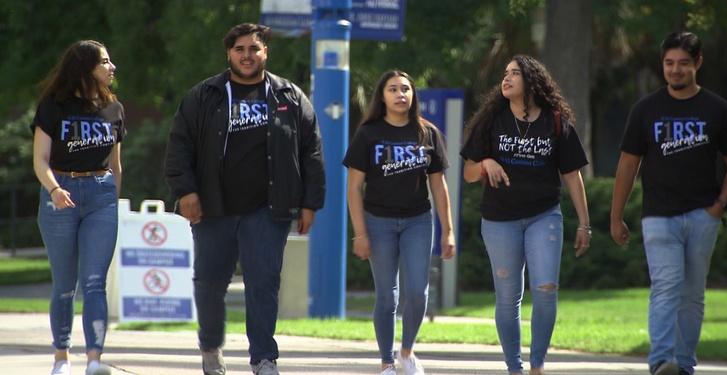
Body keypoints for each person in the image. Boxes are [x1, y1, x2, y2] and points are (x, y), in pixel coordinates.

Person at [164, 23, 325, 375]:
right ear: (229, 54)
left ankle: (264, 358)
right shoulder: (203, 95)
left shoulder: (289, 97)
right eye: (240, 49)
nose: (247, 55)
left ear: (265, 52)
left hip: (268, 209)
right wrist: (186, 192)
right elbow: (179, 147)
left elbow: (311, 151)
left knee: (263, 282)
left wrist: (311, 203)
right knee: (209, 283)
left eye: (254, 48)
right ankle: (210, 347)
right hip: (212, 207)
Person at [610, 32, 727, 375]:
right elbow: (628, 165)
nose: (675, 70)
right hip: (658, 216)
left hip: (703, 215)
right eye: (669, 63)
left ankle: (683, 364)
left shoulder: (718, 110)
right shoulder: (646, 109)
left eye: (683, 64)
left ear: (697, 63)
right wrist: (616, 216)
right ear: (663, 65)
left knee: (692, 294)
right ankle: (661, 361)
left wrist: (719, 205)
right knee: (666, 285)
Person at [460, 54, 592, 375]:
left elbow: (572, 175)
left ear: (531, 80)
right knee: (508, 297)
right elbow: (468, 172)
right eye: (504, 73)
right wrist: (486, 164)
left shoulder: (556, 120)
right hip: (499, 219)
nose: (505, 78)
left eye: (514, 73)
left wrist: (585, 224)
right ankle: (514, 368)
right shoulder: (491, 120)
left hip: (543, 216)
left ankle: (537, 365)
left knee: (546, 289)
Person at [344, 70, 456, 375]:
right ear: (382, 96)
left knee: (418, 291)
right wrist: (360, 233)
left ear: (413, 95)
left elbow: (439, 186)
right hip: (377, 221)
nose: (400, 94)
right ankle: (387, 362)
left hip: (417, 221)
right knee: (387, 295)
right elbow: (354, 188)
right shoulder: (368, 134)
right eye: (393, 89)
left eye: (406, 89)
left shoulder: (427, 133)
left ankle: (407, 352)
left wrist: (448, 231)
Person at [32, 40, 124, 375]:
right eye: (104, 61)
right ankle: (61, 357)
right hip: (61, 193)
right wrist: (54, 189)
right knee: (65, 284)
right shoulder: (53, 106)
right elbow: (40, 160)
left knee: (95, 281)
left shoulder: (114, 109)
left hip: (101, 196)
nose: (112, 67)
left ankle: (95, 360)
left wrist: (112, 199)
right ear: (85, 69)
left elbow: (116, 164)